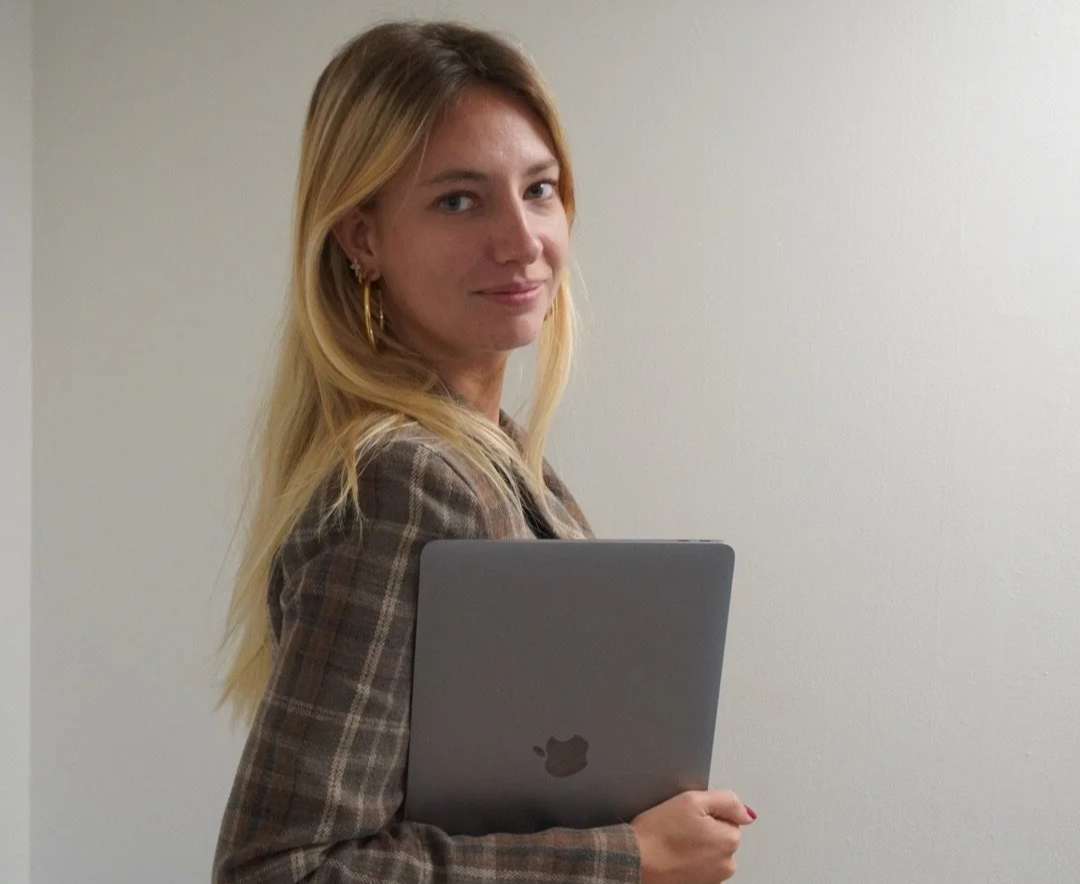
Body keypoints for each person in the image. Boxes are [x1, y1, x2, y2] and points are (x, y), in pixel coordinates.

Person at [213, 19, 756, 884]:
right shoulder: (405, 480)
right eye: (459, 200)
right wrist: (627, 856)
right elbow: (282, 870)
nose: (521, 239)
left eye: (539, 189)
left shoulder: (504, 463)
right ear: (362, 238)